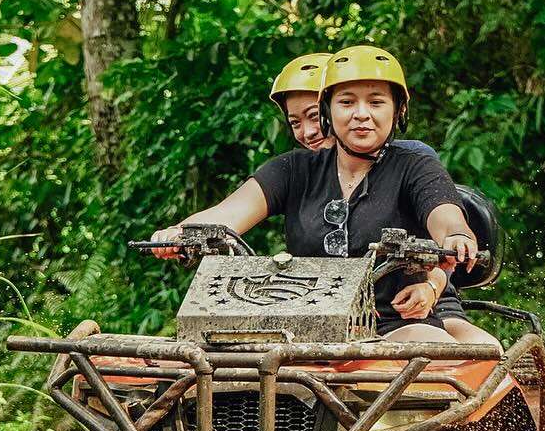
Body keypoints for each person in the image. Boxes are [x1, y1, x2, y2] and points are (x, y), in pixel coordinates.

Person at [151, 46, 494, 345]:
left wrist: (456, 238)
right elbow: (228, 214)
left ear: (397, 110)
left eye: (376, 102)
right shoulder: (292, 169)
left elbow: (444, 213)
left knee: (450, 351)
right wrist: (180, 232)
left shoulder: (415, 164)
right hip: (304, 328)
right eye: (347, 102)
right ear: (331, 110)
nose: (361, 114)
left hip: (394, 323)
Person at [265, 53, 499, 348]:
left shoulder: (410, 162)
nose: (309, 132)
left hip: (418, 300)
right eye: (295, 122)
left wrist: (432, 284)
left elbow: (444, 225)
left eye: (313, 116)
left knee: (479, 351)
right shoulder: (296, 170)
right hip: (329, 312)